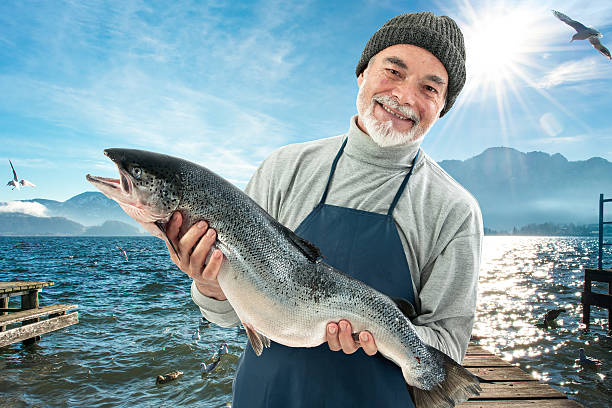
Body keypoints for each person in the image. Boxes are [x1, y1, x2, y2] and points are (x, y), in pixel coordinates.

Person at [165, 11, 483, 408]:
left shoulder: (455, 210)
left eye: (430, 88)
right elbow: (228, 317)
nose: (405, 97)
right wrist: (212, 285)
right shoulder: (283, 168)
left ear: (443, 108)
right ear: (362, 74)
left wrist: (381, 332)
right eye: (394, 71)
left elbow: (447, 347)